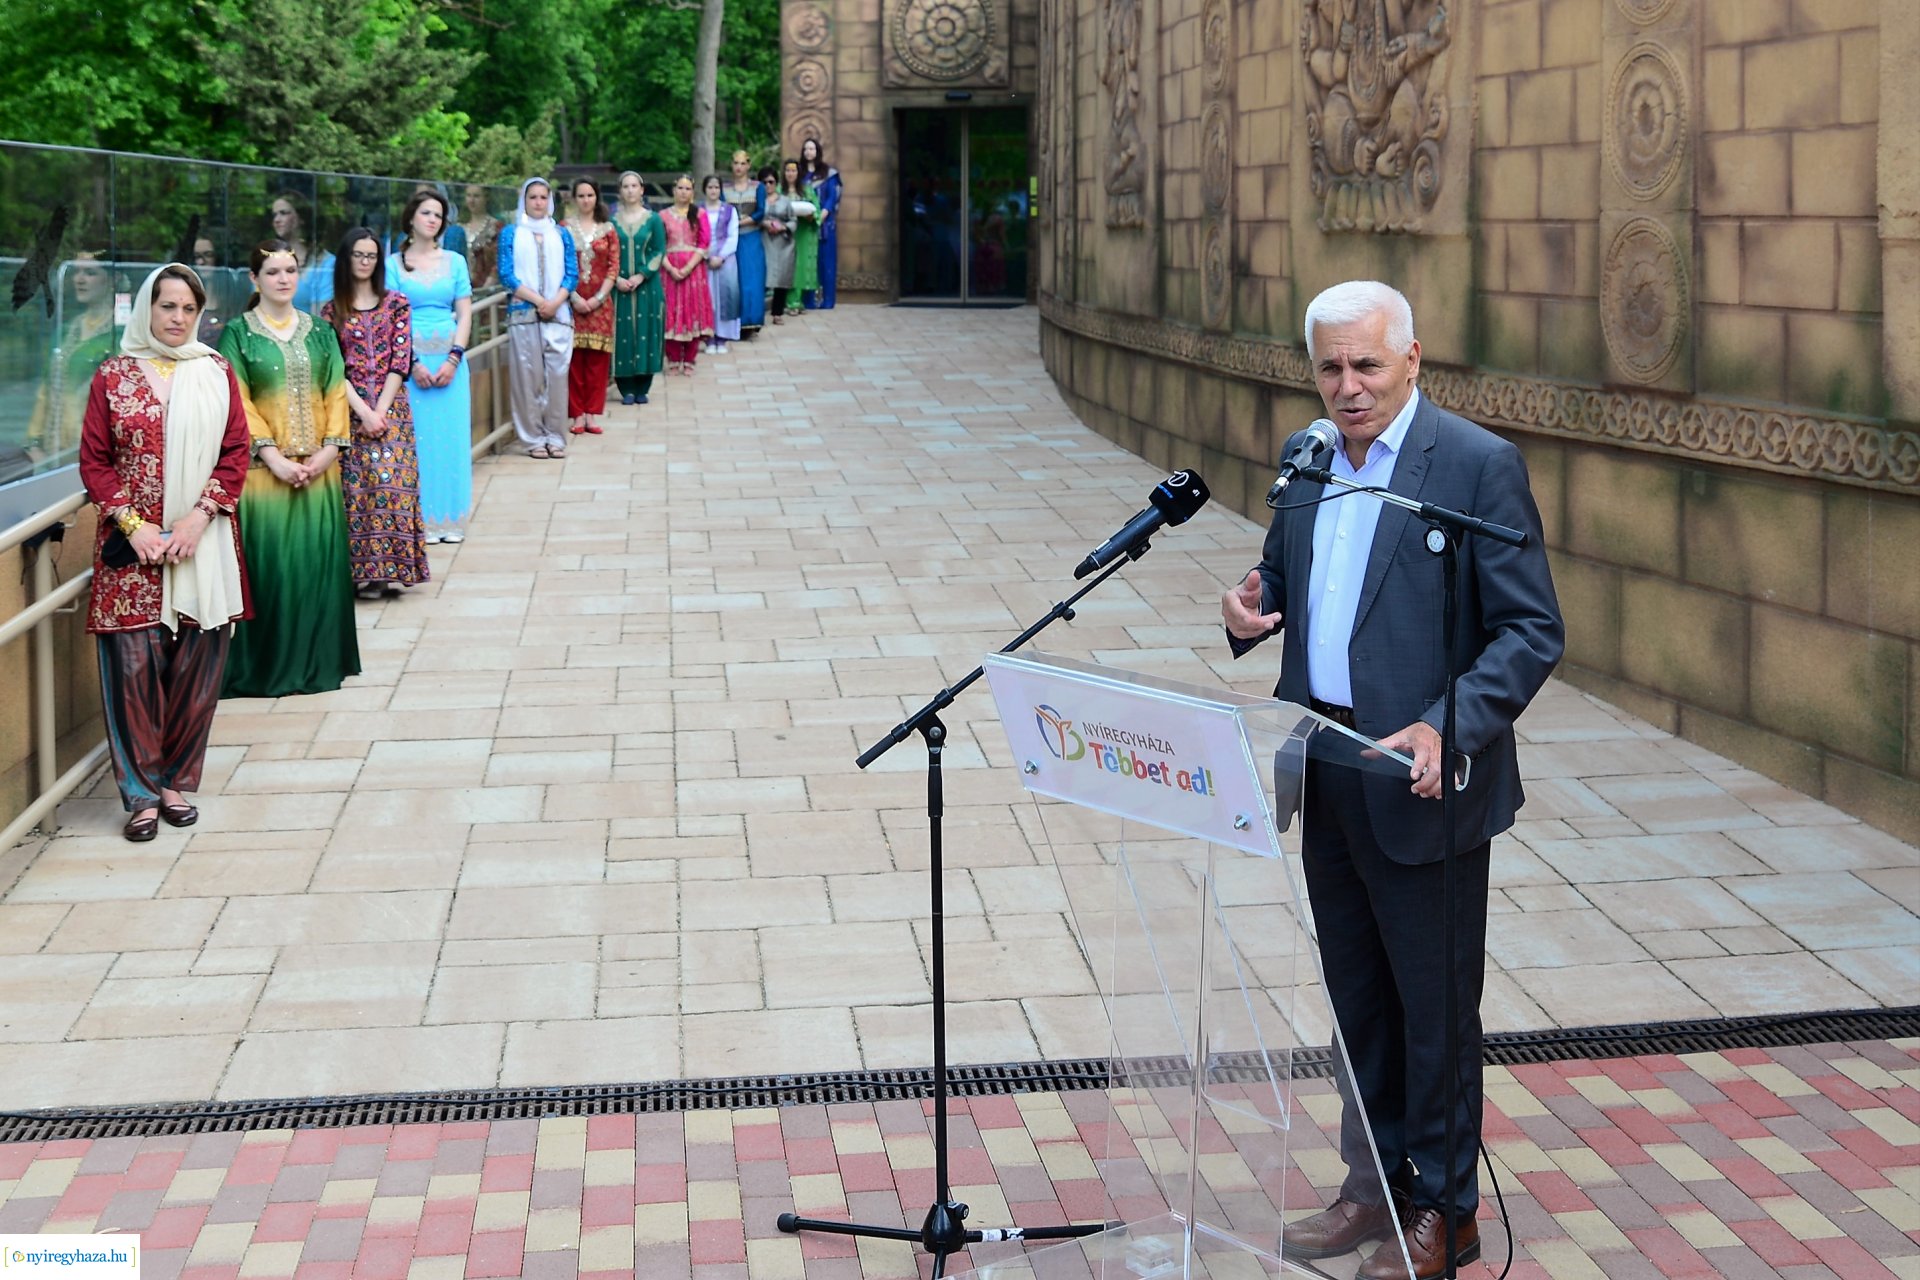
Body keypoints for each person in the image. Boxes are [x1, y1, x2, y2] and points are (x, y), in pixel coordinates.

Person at [1220, 281, 1563, 1280]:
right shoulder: (1307, 454)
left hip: (1425, 788)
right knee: (1359, 1001)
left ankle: (1446, 1207)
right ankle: (1371, 1182)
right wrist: (1252, 607)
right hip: (1327, 774)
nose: (1348, 385)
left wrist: (1448, 722)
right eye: (1330, 366)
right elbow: (1291, 575)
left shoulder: (1474, 465)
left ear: (1414, 360)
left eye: (1367, 365)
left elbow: (1532, 627)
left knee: (1434, 1008)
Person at [80, 264, 252, 842]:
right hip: (132, 554)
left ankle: (176, 781)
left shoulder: (216, 370)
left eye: (187, 308)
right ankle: (140, 793)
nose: (177, 319)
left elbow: (236, 452)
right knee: (131, 669)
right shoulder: (113, 377)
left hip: (200, 546)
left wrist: (198, 518)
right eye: (166, 306)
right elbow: (95, 461)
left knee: (197, 669)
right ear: (146, 310)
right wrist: (134, 525)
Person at [218, 241, 361, 698]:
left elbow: (335, 390)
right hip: (264, 477)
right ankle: (268, 670)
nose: (284, 278)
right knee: (273, 571)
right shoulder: (237, 334)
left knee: (317, 568)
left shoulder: (320, 331)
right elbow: (236, 400)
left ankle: (317, 665)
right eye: (273, 271)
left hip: (320, 472)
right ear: (253, 279)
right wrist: (273, 457)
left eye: (291, 270)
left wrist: (329, 451)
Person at [323, 229, 429, 599]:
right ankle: (358, 573)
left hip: (392, 408)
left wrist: (379, 411)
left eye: (371, 256)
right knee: (357, 490)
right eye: (358, 255)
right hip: (349, 410)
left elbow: (401, 360)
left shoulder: (397, 304)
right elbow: (333, 368)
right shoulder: (331, 311)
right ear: (346, 258)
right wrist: (362, 412)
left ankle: (387, 572)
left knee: (392, 485)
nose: (365, 262)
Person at [388, 190, 474, 544]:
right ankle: (420, 521)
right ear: (411, 217)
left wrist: (455, 357)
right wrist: (413, 364)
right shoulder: (393, 264)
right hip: (410, 366)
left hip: (451, 363)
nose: (432, 220)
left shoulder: (455, 261)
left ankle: (451, 520)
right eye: (426, 213)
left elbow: (465, 311)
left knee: (451, 440)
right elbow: (393, 316)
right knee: (418, 443)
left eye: (438, 215)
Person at [497, 177, 577, 459]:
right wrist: (540, 301)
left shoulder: (562, 233)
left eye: (543, 197)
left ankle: (556, 436)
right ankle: (533, 438)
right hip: (524, 315)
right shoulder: (511, 233)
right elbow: (506, 274)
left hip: (559, 314)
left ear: (550, 200)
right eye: (533, 197)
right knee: (526, 379)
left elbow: (572, 273)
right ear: (524, 200)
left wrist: (554, 302)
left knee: (557, 377)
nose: (538, 202)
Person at [27, 253, 118, 460]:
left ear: (113, 279)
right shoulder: (67, 329)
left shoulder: (120, 334)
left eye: (90, 272)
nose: (79, 279)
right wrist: (34, 441)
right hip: (54, 449)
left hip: (95, 452)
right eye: (76, 271)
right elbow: (46, 387)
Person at [565, 177, 618, 434]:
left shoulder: (608, 229)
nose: (586, 200)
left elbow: (613, 267)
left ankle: (592, 414)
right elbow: (560, 264)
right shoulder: (564, 228)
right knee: (574, 362)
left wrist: (597, 298)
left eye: (590, 195)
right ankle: (576, 414)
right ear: (574, 198)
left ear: (597, 197)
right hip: (572, 302)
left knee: (597, 362)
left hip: (601, 304)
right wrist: (574, 297)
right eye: (581, 195)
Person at [611, 170, 666, 406]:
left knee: (647, 329)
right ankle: (626, 388)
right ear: (620, 191)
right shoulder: (611, 222)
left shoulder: (653, 219)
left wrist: (642, 275)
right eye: (626, 186)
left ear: (642, 190)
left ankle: (644, 385)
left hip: (647, 286)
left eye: (634, 186)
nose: (630, 190)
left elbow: (659, 250)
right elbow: (608, 256)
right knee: (622, 333)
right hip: (619, 287)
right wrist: (616, 280)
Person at [659, 175, 713, 376]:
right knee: (671, 310)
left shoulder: (699, 214)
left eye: (687, 188)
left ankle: (690, 359)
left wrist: (688, 267)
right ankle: (672, 358)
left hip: (694, 271)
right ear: (674, 190)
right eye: (680, 188)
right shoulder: (662, 216)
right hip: (668, 270)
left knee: (692, 310)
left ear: (692, 191)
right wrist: (671, 268)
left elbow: (704, 242)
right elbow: (658, 245)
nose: (683, 192)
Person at [723, 151, 767, 336]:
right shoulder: (725, 189)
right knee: (733, 280)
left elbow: (761, 211)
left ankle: (752, 321)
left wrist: (740, 222)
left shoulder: (758, 187)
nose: (739, 167)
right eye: (736, 163)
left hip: (751, 236)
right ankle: (734, 322)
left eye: (742, 163)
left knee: (752, 280)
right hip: (731, 239)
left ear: (748, 165)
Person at [270, 192, 334, 314]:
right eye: (274, 215)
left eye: (283, 213)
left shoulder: (325, 263)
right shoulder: (268, 259)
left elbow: (322, 316)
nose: (276, 220)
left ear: (301, 218)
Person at [800, 137, 841, 309]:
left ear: (818, 151)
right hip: (805, 224)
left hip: (824, 225)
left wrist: (820, 216)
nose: (809, 152)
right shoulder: (800, 174)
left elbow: (832, 197)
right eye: (806, 149)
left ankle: (828, 300)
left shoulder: (829, 174)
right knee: (807, 262)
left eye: (812, 149)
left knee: (826, 262)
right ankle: (808, 300)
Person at [703, 174, 740, 354]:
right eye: (710, 187)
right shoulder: (698, 211)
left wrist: (721, 256)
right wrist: (707, 256)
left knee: (725, 297)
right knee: (708, 297)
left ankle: (722, 338)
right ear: (704, 189)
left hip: (726, 261)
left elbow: (733, 236)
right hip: (703, 261)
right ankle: (709, 337)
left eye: (716, 187)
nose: (713, 190)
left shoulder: (729, 210)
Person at [782, 160, 820, 316]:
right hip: (784, 233)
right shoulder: (779, 191)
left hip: (803, 232)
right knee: (788, 265)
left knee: (801, 265)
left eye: (794, 170)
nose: (791, 174)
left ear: (799, 173)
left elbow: (815, 207)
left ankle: (799, 301)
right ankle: (790, 302)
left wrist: (812, 216)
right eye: (788, 170)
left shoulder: (807, 190)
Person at [761, 165, 797, 325]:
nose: (768, 185)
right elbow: (753, 217)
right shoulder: (758, 201)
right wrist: (766, 224)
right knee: (762, 276)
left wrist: (783, 227)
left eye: (771, 182)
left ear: (776, 182)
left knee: (782, 276)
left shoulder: (785, 201)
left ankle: (777, 313)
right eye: (764, 182)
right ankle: (757, 311)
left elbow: (793, 220)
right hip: (764, 240)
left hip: (783, 242)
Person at [461, 183, 502, 288]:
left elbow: (499, 260)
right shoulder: (459, 227)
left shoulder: (495, 227)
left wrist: (487, 287)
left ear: (486, 198)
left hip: (486, 288)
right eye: (468, 195)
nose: (471, 200)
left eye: (476, 196)